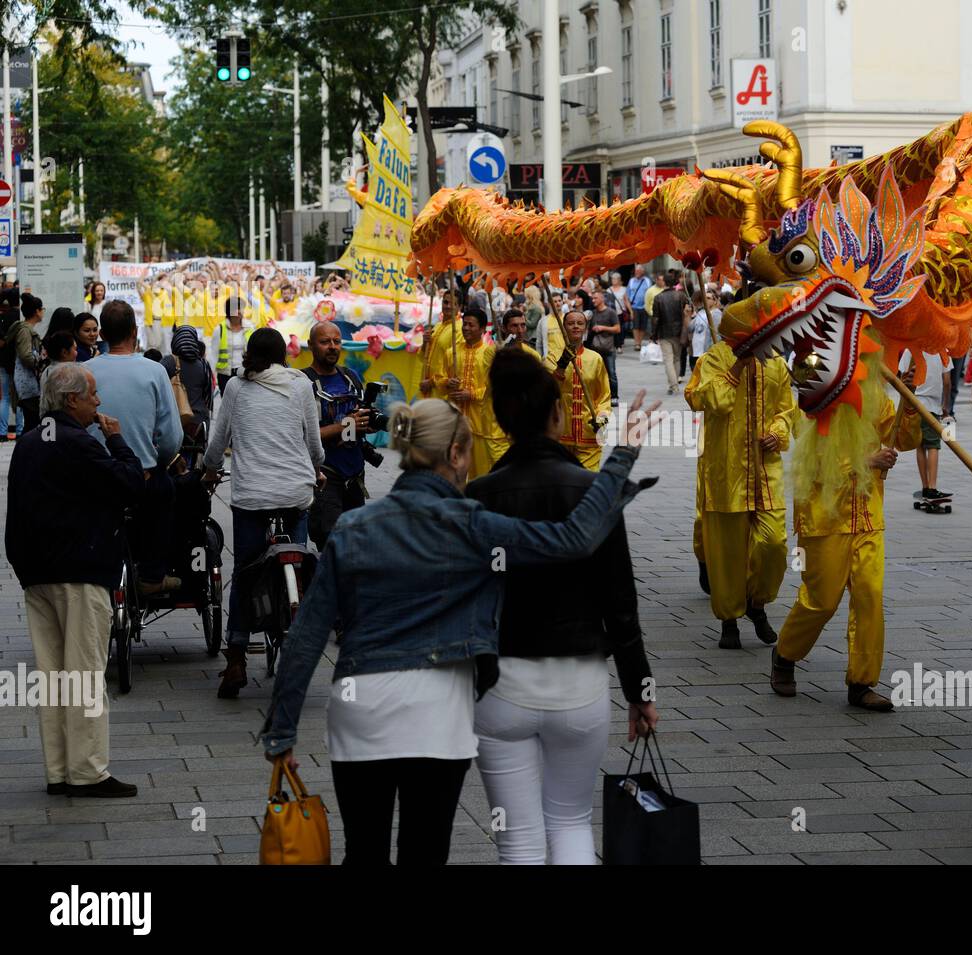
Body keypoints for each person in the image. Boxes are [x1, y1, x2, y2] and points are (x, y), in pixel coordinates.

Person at [260, 390, 658, 866]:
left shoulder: (352, 527)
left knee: (363, 852)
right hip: (436, 710)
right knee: (423, 853)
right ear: (453, 454)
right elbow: (572, 539)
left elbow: (306, 634)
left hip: (359, 706)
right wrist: (622, 457)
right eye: (468, 453)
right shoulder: (472, 523)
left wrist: (281, 732)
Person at [466, 351, 658, 864]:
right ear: (558, 414)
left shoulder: (477, 496)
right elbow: (621, 602)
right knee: (571, 823)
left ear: (501, 419)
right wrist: (640, 691)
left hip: (502, 685)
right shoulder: (595, 491)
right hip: (580, 686)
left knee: (518, 839)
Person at [6, 363, 146, 798]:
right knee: (84, 672)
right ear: (71, 400)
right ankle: (87, 772)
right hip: (80, 573)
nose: (98, 401)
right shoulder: (76, 442)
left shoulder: (29, 442)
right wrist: (118, 438)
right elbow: (129, 482)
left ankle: (58, 770)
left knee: (52, 676)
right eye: (92, 394)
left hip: (39, 575)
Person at [772, 362, 921, 710]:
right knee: (822, 600)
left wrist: (908, 403)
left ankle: (862, 681)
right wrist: (867, 461)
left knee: (870, 594)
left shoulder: (874, 396)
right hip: (824, 519)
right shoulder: (812, 401)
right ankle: (785, 654)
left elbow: (904, 438)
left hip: (868, 515)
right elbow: (814, 463)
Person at [201, 328, 325, 699]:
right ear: (284, 354)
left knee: (244, 571)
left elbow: (217, 444)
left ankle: (236, 657)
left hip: (252, 497)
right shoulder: (301, 385)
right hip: (295, 492)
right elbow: (314, 445)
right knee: (300, 567)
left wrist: (209, 468)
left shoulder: (237, 388)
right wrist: (317, 467)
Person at [685, 339, 795, 649]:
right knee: (726, 552)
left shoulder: (775, 360)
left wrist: (779, 431)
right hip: (725, 469)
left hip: (765, 469)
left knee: (773, 543)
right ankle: (728, 619)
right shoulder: (713, 359)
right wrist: (737, 367)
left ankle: (756, 603)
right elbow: (710, 401)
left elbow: (786, 408)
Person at [86, 302, 183, 596]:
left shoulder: (84, 371)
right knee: (166, 493)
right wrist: (161, 461)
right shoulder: (154, 371)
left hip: (97, 476)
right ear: (134, 331)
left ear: (101, 333)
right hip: (142, 475)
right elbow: (171, 437)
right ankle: (152, 574)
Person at [304, 321, 377, 549]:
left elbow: (359, 417)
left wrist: (368, 423)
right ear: (311, 346)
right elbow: (302, 435)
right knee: (330, 544)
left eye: (336, 341)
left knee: (355, 545)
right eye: (325, 342)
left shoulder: (351, 377)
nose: (332, 346)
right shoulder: (302, 382)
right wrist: (346, 425)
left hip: (354, 474)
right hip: (324, 475)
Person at [443, 306, 506, 480]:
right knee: (454, 469)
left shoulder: (489, 353)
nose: (466, 328)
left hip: (480, 422)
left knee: (480, 472)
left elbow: (494, 386)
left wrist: (471, 394)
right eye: (464, 324)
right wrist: (448, 383)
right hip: (456, 420)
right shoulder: (452, 353)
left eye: (471, 325)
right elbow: (440, 379)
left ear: (482, 329)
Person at [553, 310, 612, 470]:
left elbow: (604, 396)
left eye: (580, 323)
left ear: (586, 328)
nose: (575, 327)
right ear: (563, 327)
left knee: (587, 484)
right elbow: (548, 392)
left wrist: (602, 418)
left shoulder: (595, 359)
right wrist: (560, 367)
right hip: (561, 437)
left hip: (589, 435)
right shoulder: (552, 357)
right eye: (570, 323)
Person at [901, 350, 952, 499]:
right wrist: (946, 405)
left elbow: (903, 375)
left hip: (914, 403)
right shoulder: (942, 350)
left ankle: (924, 486)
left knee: (920, 445)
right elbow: (947, 381)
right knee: (933, 445)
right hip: (932, 405)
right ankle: (932, 487)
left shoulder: (910, 348)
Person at [160, 326, 215, 437]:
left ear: (175, 341)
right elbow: (208, 395)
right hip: (198, 422)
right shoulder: (204, 365)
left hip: (173, 421)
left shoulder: (167, 362)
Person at [12, 293, 45, 435]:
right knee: (31, 424)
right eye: (42, 309)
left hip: (28, 383)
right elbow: (26, 356)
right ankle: (24, 452)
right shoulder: (25, 331)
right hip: (27, 384)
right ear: (37, 311)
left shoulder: (25, 329)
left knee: (31, 423)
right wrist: (40, 364)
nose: (43, 312)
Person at [651, 270, 688, 395]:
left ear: (664, 282)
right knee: (677, 359)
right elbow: (687, 313)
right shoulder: (681, 296)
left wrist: (654, 334)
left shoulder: (658, 298)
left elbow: (655, 319)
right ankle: (674, 383)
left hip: (664, 331)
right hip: (679, 331)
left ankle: (673, 385)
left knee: (668, 359)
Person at [211, 295, 253, 394]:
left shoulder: (249, 327)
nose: (239, 311)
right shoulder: (219, 329)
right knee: (227, 403)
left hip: (245, 372)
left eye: (240, 308)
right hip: (225, 374)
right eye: (236, 308)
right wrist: (211, 376)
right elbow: (213, 355)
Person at [587, 290, 620, 401]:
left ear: (602, 299)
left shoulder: (611, 312)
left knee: (611, 373)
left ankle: (614, 396)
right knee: (596, 374)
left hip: (608, 348)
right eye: (592, 298)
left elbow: (617, 328)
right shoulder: (593, 313)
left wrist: (603, 328)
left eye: (595, 298)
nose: (593, 300)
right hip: (596, 348)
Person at [0, 286, 20, 439]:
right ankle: (20, 431)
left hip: (3, 361)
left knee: (5, 398)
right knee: (19, 398)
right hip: (19, 362)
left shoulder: (3, 317)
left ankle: (2, 432)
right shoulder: (21, 316)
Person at [627, 265, 651, 349]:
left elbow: (649, 293)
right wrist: (630, 310)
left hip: (644, 307)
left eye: (639, 271)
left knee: (642, 326)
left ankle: (639, 342)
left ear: (643, 272)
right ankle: (636, 343)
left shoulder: (647, 281)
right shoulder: (631, 281)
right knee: (635, 325)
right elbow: (627, 296)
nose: (637, 272)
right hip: (634, 307)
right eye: (636, 271)